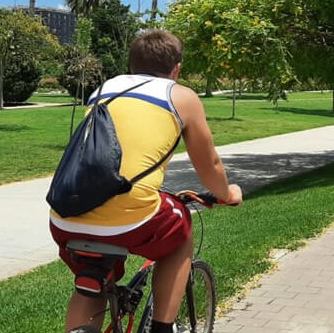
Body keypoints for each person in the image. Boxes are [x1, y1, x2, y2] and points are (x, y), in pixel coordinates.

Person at [49, 29, 243, 333]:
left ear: (131, 65)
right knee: (181, 230)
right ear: (176, 68)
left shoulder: (105, 88)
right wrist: (227, 193)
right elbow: (211, 164)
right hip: (131, 216)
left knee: (94, 281)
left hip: (65, 215)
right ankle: (162, 328)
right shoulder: (181, 96)